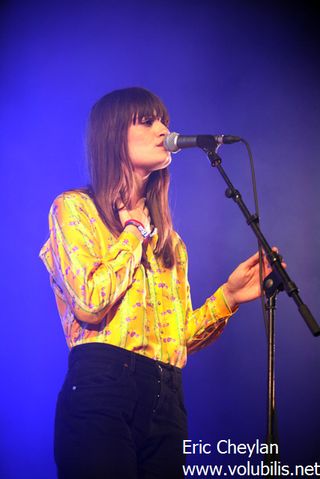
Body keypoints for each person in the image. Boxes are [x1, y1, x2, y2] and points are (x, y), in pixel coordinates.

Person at [40, 87, 273, 479]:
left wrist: (229, 297)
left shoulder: (171, 243)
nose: (163, 129)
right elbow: (91, 300)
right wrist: (132, 231)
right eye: (147, 121)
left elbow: (177, 340)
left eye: (163, 120)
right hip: (103, 387)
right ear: (113, 134)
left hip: (167, 399)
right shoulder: (75, 209)